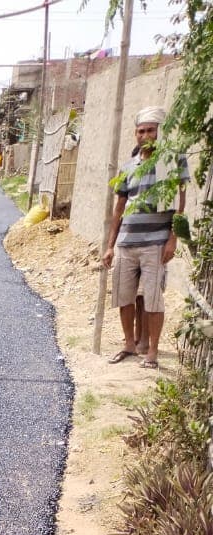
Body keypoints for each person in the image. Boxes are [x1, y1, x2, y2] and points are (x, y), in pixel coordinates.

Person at [102, 106, 190, 369]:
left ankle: (152, 352)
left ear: (159, 132)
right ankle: (129, 344)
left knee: (153, 299)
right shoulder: (129, 167)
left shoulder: (169, 162)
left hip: (155, 243)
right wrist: (110, 246)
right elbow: (119, 208)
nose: (145, 135)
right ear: (135, 134)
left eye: (150, 130)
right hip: (127, 242)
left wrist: (172, 239)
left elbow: (178, 204)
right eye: (140, 131)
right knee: (124, 297)